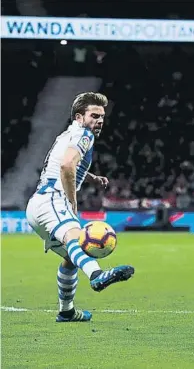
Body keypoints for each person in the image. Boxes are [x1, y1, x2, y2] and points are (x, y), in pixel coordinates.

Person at [25, 92, 135, 323]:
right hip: (52, 199)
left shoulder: (68, 134)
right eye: (94, 115)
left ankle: (67, 310)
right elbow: (66, 166)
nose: (100, 120)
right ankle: (97, 274)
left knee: (71, 257)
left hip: (38, 205)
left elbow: (63, 162)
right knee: (76, 238)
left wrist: (90, 176)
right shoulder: (84, 134)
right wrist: (72, 201)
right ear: (79, 116)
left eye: (102, 116)